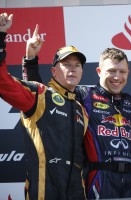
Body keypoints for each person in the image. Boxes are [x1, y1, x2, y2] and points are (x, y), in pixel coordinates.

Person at [23, 29, 131, 198]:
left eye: (122, 72)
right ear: (99, 71)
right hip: (100, 180)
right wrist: (30, 61)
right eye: (111, 71)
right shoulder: (83, 95)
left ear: (128, 73)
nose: (117, 77)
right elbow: (42, 97)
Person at [0, 13, 88, 200]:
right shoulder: (40, 95)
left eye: (77, 65)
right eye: (66, 64)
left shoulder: (81, 109)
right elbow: (3, 83)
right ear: (54, 71)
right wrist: (1, 35)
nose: (72, 68)